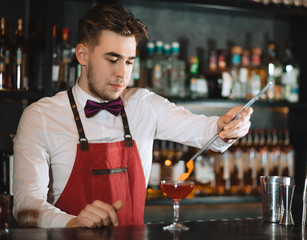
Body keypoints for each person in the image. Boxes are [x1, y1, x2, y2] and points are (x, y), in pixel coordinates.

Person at [12, 4, 253, 228]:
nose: (121, 74)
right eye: (112, 59)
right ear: (82, 55)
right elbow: (25, 204)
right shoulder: (41, 116)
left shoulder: (143, 104)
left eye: (129, 62)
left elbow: (205, 131)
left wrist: (227, 126)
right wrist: (72, 223)